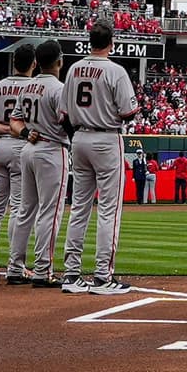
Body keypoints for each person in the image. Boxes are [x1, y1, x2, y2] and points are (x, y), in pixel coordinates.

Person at [60, 25, 142, 295]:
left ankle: (71, 274)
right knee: (108, 210)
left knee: (79, 208)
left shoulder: (73, 69)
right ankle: (102, 277)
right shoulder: (115, 70)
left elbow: (63, 114)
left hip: (79, 138)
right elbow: (129, 112)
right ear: (111, 43)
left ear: (90, 41)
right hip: (106, 138)